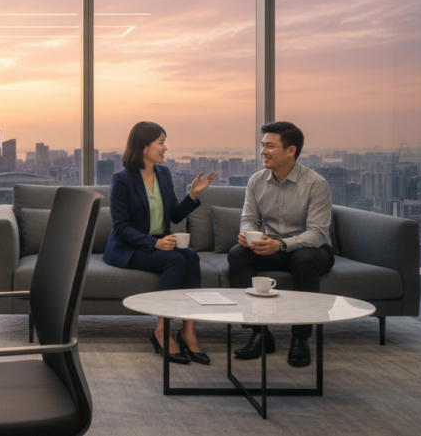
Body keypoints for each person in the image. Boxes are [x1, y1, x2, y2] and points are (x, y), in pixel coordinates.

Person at [104, 122, 218, 365]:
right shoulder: (122, 180)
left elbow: (174, 215)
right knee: (176, 259)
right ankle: (161, 331)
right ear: (144, 147)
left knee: (191, 256)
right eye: (161, 142)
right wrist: (154, 244)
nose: (165, 148)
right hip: (129, 247)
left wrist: (193, 195)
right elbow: (121, 227)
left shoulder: (163, 173)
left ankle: (188, 331)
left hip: (159, 242)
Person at [228, 121, 335, 367]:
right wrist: (247, 235)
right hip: (273, 248)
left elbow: (317, 233)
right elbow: (249, 219)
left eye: (270, 146)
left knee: (304, 258)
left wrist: (281, 245)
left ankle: (300, 339)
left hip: (312, 250)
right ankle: (260, 333)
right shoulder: (256, 181)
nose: (263, 151)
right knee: (237, 254)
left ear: (291, 150)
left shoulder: (316, 184)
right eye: (262, 145)